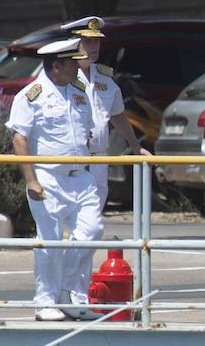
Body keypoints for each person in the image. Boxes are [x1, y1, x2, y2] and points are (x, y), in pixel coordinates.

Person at [5, 36, 102, 321]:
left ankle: (71, 294)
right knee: (49, 241)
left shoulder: (80, 92)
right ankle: (45, 301)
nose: (78, 67)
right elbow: (19, 138)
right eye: (72, 63)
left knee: (91, 232)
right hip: (48, 177)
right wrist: (31, 180)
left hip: (80, 177)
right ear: (56, 67)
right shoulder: (31, 95)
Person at [62, 16, 151, 311]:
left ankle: (78, 292)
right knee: (70, 231)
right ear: (74, 43)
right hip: (69, 163)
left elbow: (117, 115)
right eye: (87, 41)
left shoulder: (103, 78)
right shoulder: (61, 76)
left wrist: (136, 146)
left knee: (90, 230)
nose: (93, 47)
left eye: (97, 41)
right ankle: (66, 290)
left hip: (98, 162)